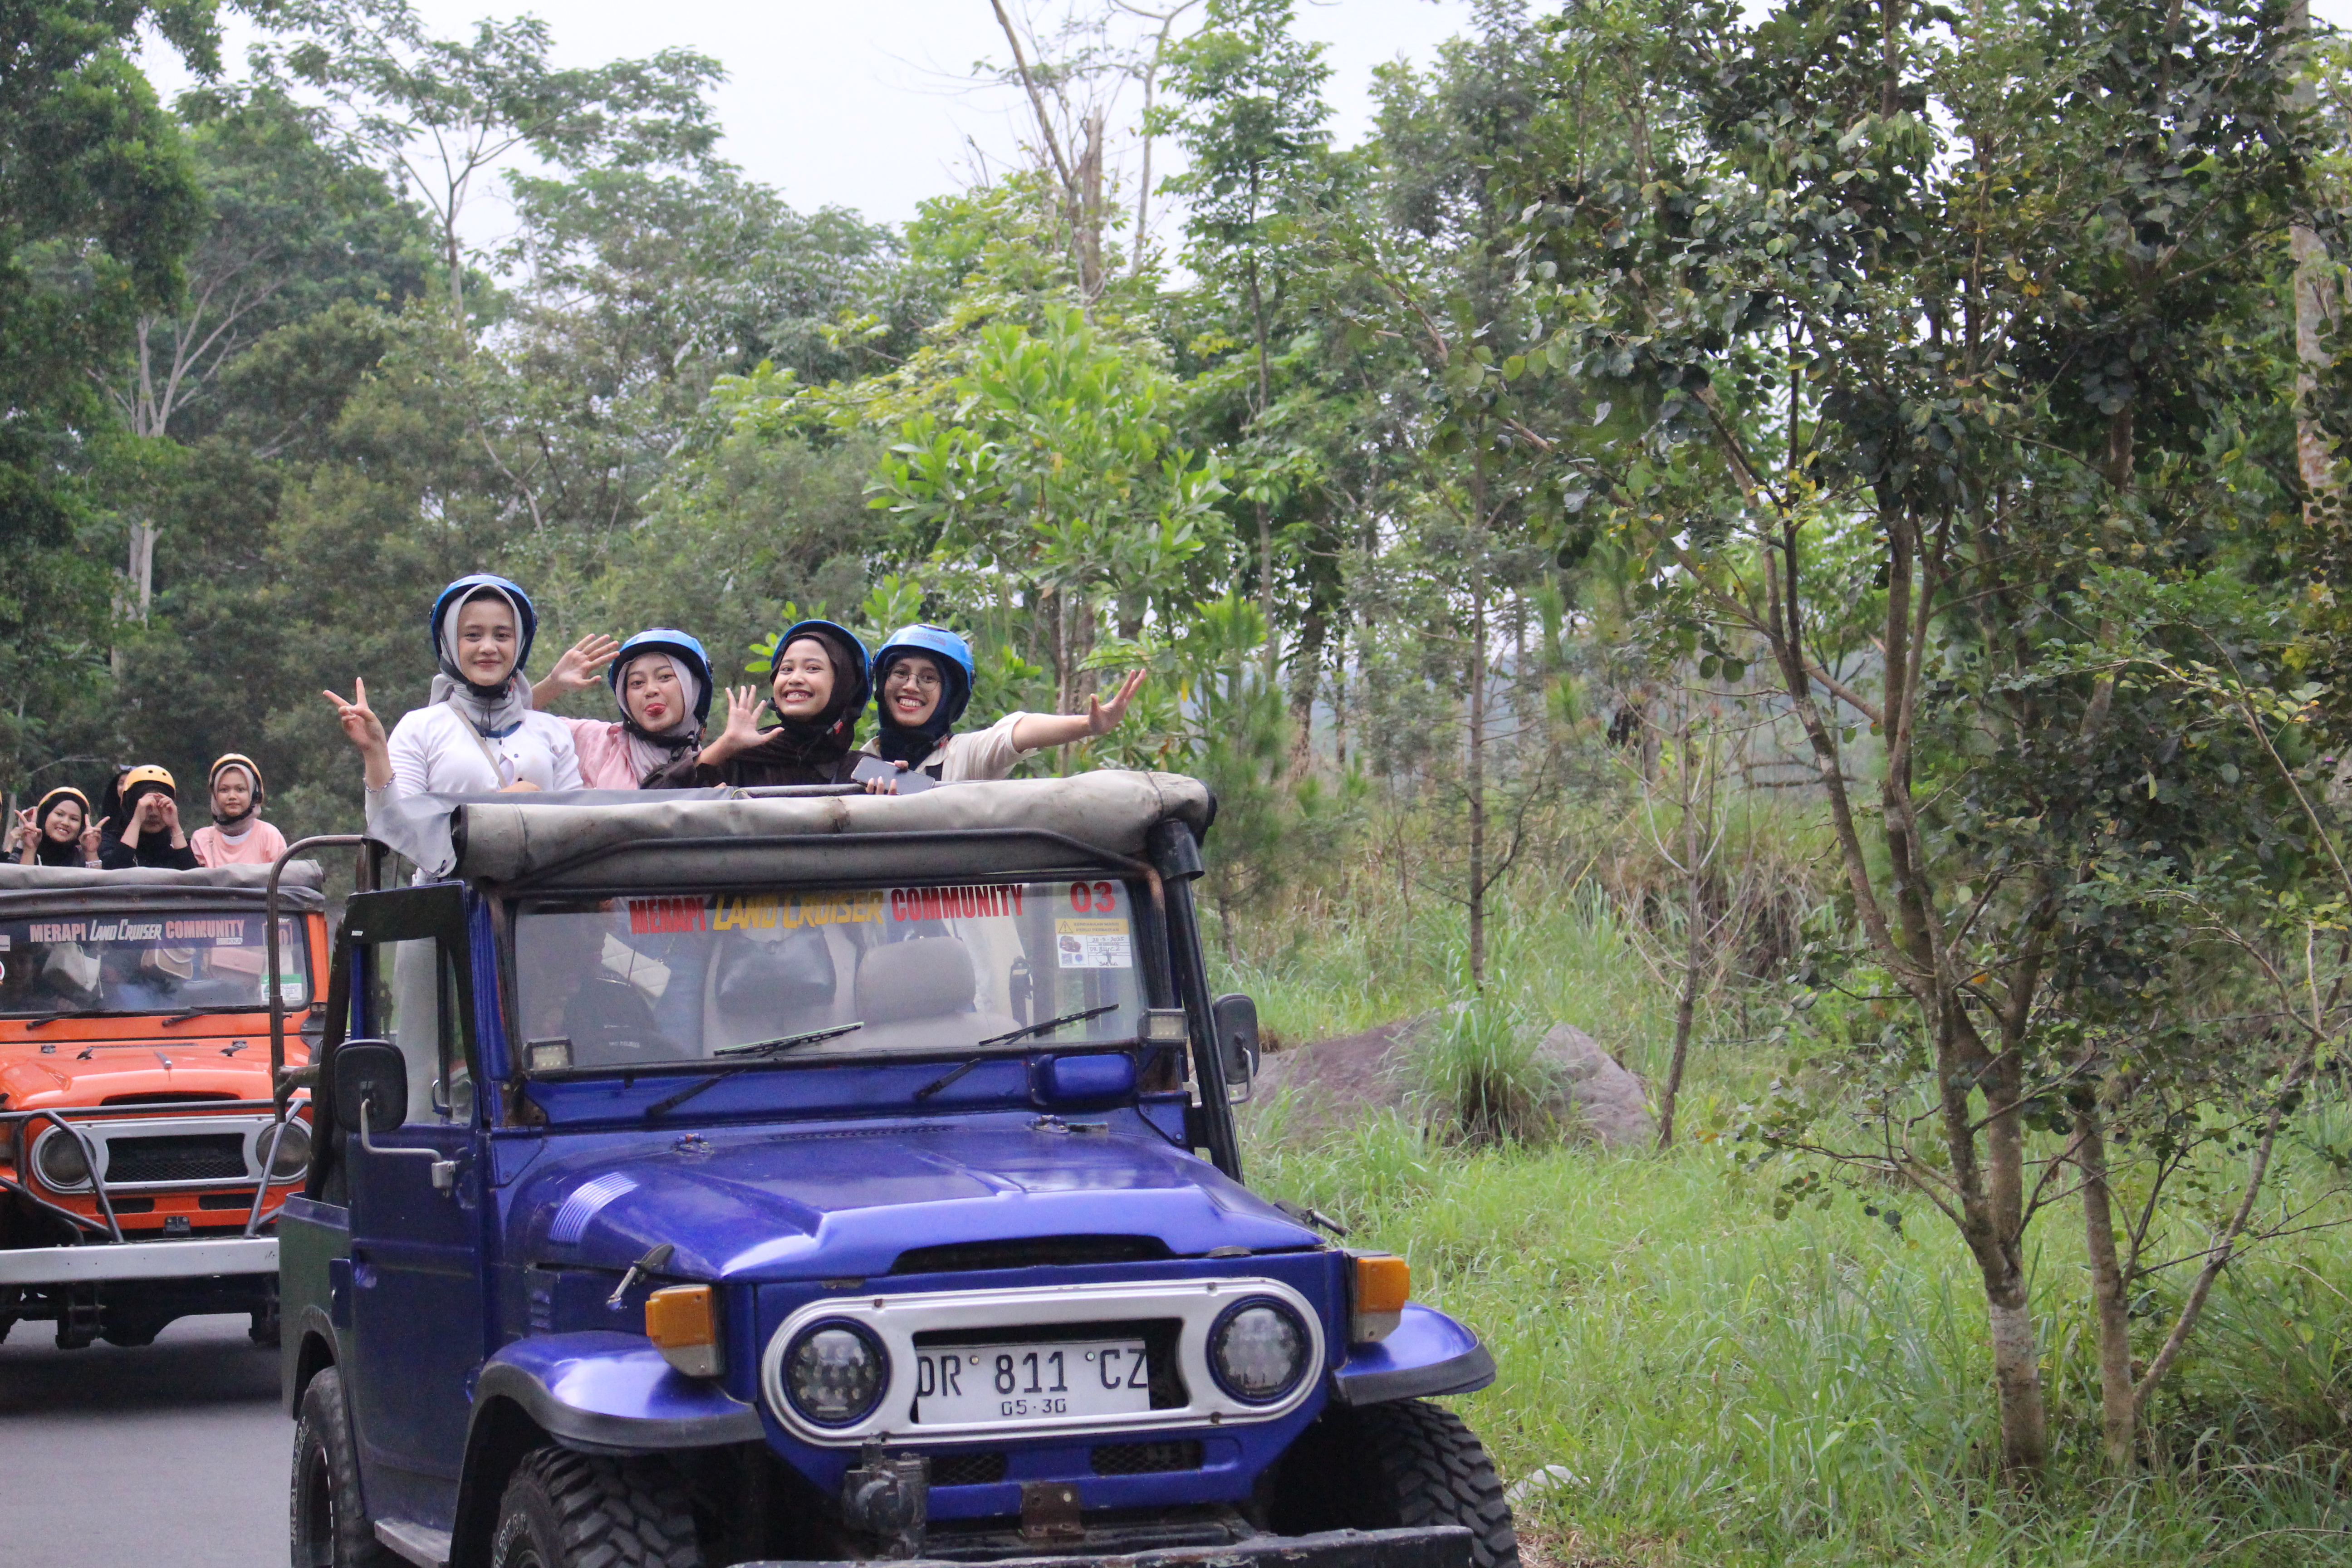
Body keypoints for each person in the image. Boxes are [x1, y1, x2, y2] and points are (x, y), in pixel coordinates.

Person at [322, 573, 583, 811]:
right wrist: (376, 752)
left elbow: (579, 829)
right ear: (448, 641)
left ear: (520, 644)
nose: (488, 647)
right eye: (472, 636)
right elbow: (395, 830)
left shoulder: (552, 732)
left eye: (502, 636)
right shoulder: (420, 728)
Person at [862, 623, 1147, 783]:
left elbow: (1014, 733)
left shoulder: (964, 756)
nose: (911, 686)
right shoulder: (858, 762)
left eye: (928, 678)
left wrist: (1087, 724)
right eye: (900, 673)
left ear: (949, 696)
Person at [647, 618, 873, 789]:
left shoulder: (863, 770)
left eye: (813, 668)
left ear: (844, 685)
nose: (795, 679)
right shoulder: (741, 760)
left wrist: (895, 795)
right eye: (786, 669)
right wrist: (726, 744)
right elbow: (650, 798)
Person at [528, 629, 713, 789]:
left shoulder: (713, 765)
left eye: (664, 677)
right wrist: (553, 685)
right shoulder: (598, 742)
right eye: (637, 683)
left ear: (693, 688)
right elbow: (508, 722)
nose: (650, 691)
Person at [189, 754, 290, 867]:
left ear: (253, 794)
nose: (232, 796)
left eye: (240, 790)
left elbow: (282, 882)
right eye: (224, 790)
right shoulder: (202, 840)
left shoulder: (270, 837)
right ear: (215, 795)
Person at [98, 765, 198, 870]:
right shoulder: (110, 841)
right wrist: (137, 821)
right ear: (130, 807)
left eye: (160, 806)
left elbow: (193, 879)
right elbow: (114, 873)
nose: (154, 814)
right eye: (147, 807)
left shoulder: (181, 845)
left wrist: (175, 826)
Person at [12, 786, 99, 867]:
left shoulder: (82, 859)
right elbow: (22, 882)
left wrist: (91, 853)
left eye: (74, 819)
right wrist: (30, 849)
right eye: (60, 814)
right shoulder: (18, 856)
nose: (66, 823)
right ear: (45, 816)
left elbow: (98, 883)